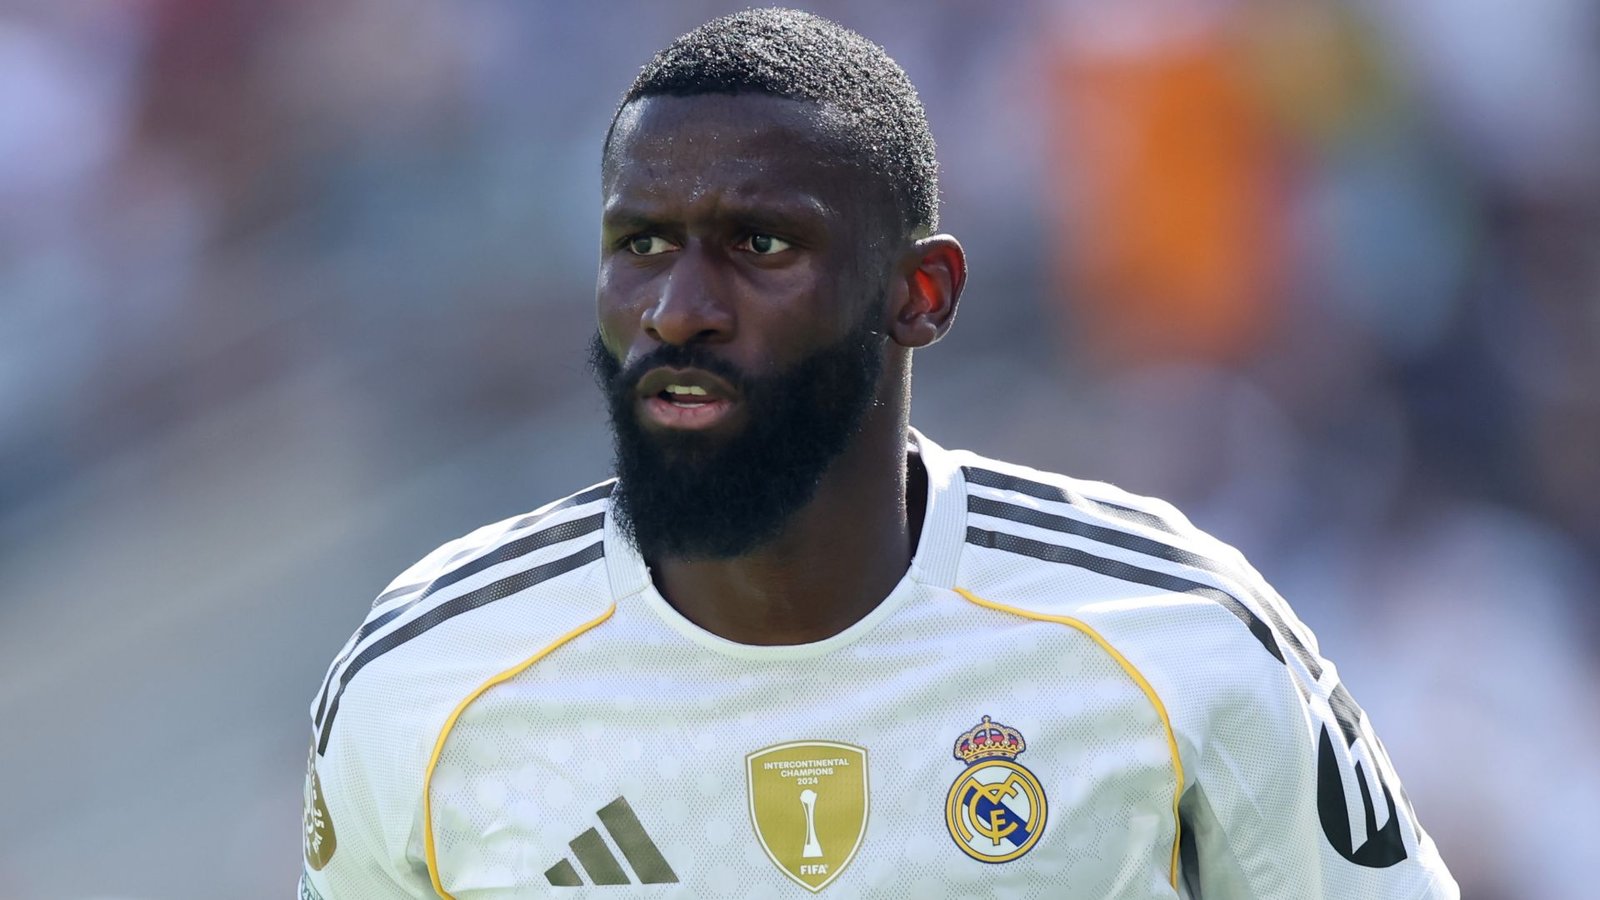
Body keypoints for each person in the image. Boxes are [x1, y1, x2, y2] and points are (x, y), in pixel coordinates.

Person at [301, 9, 1457, 898]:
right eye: (641, 244)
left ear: (920, 293)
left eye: (760, 244)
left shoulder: (1173, 632)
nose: (679, 308)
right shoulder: (428, 682)